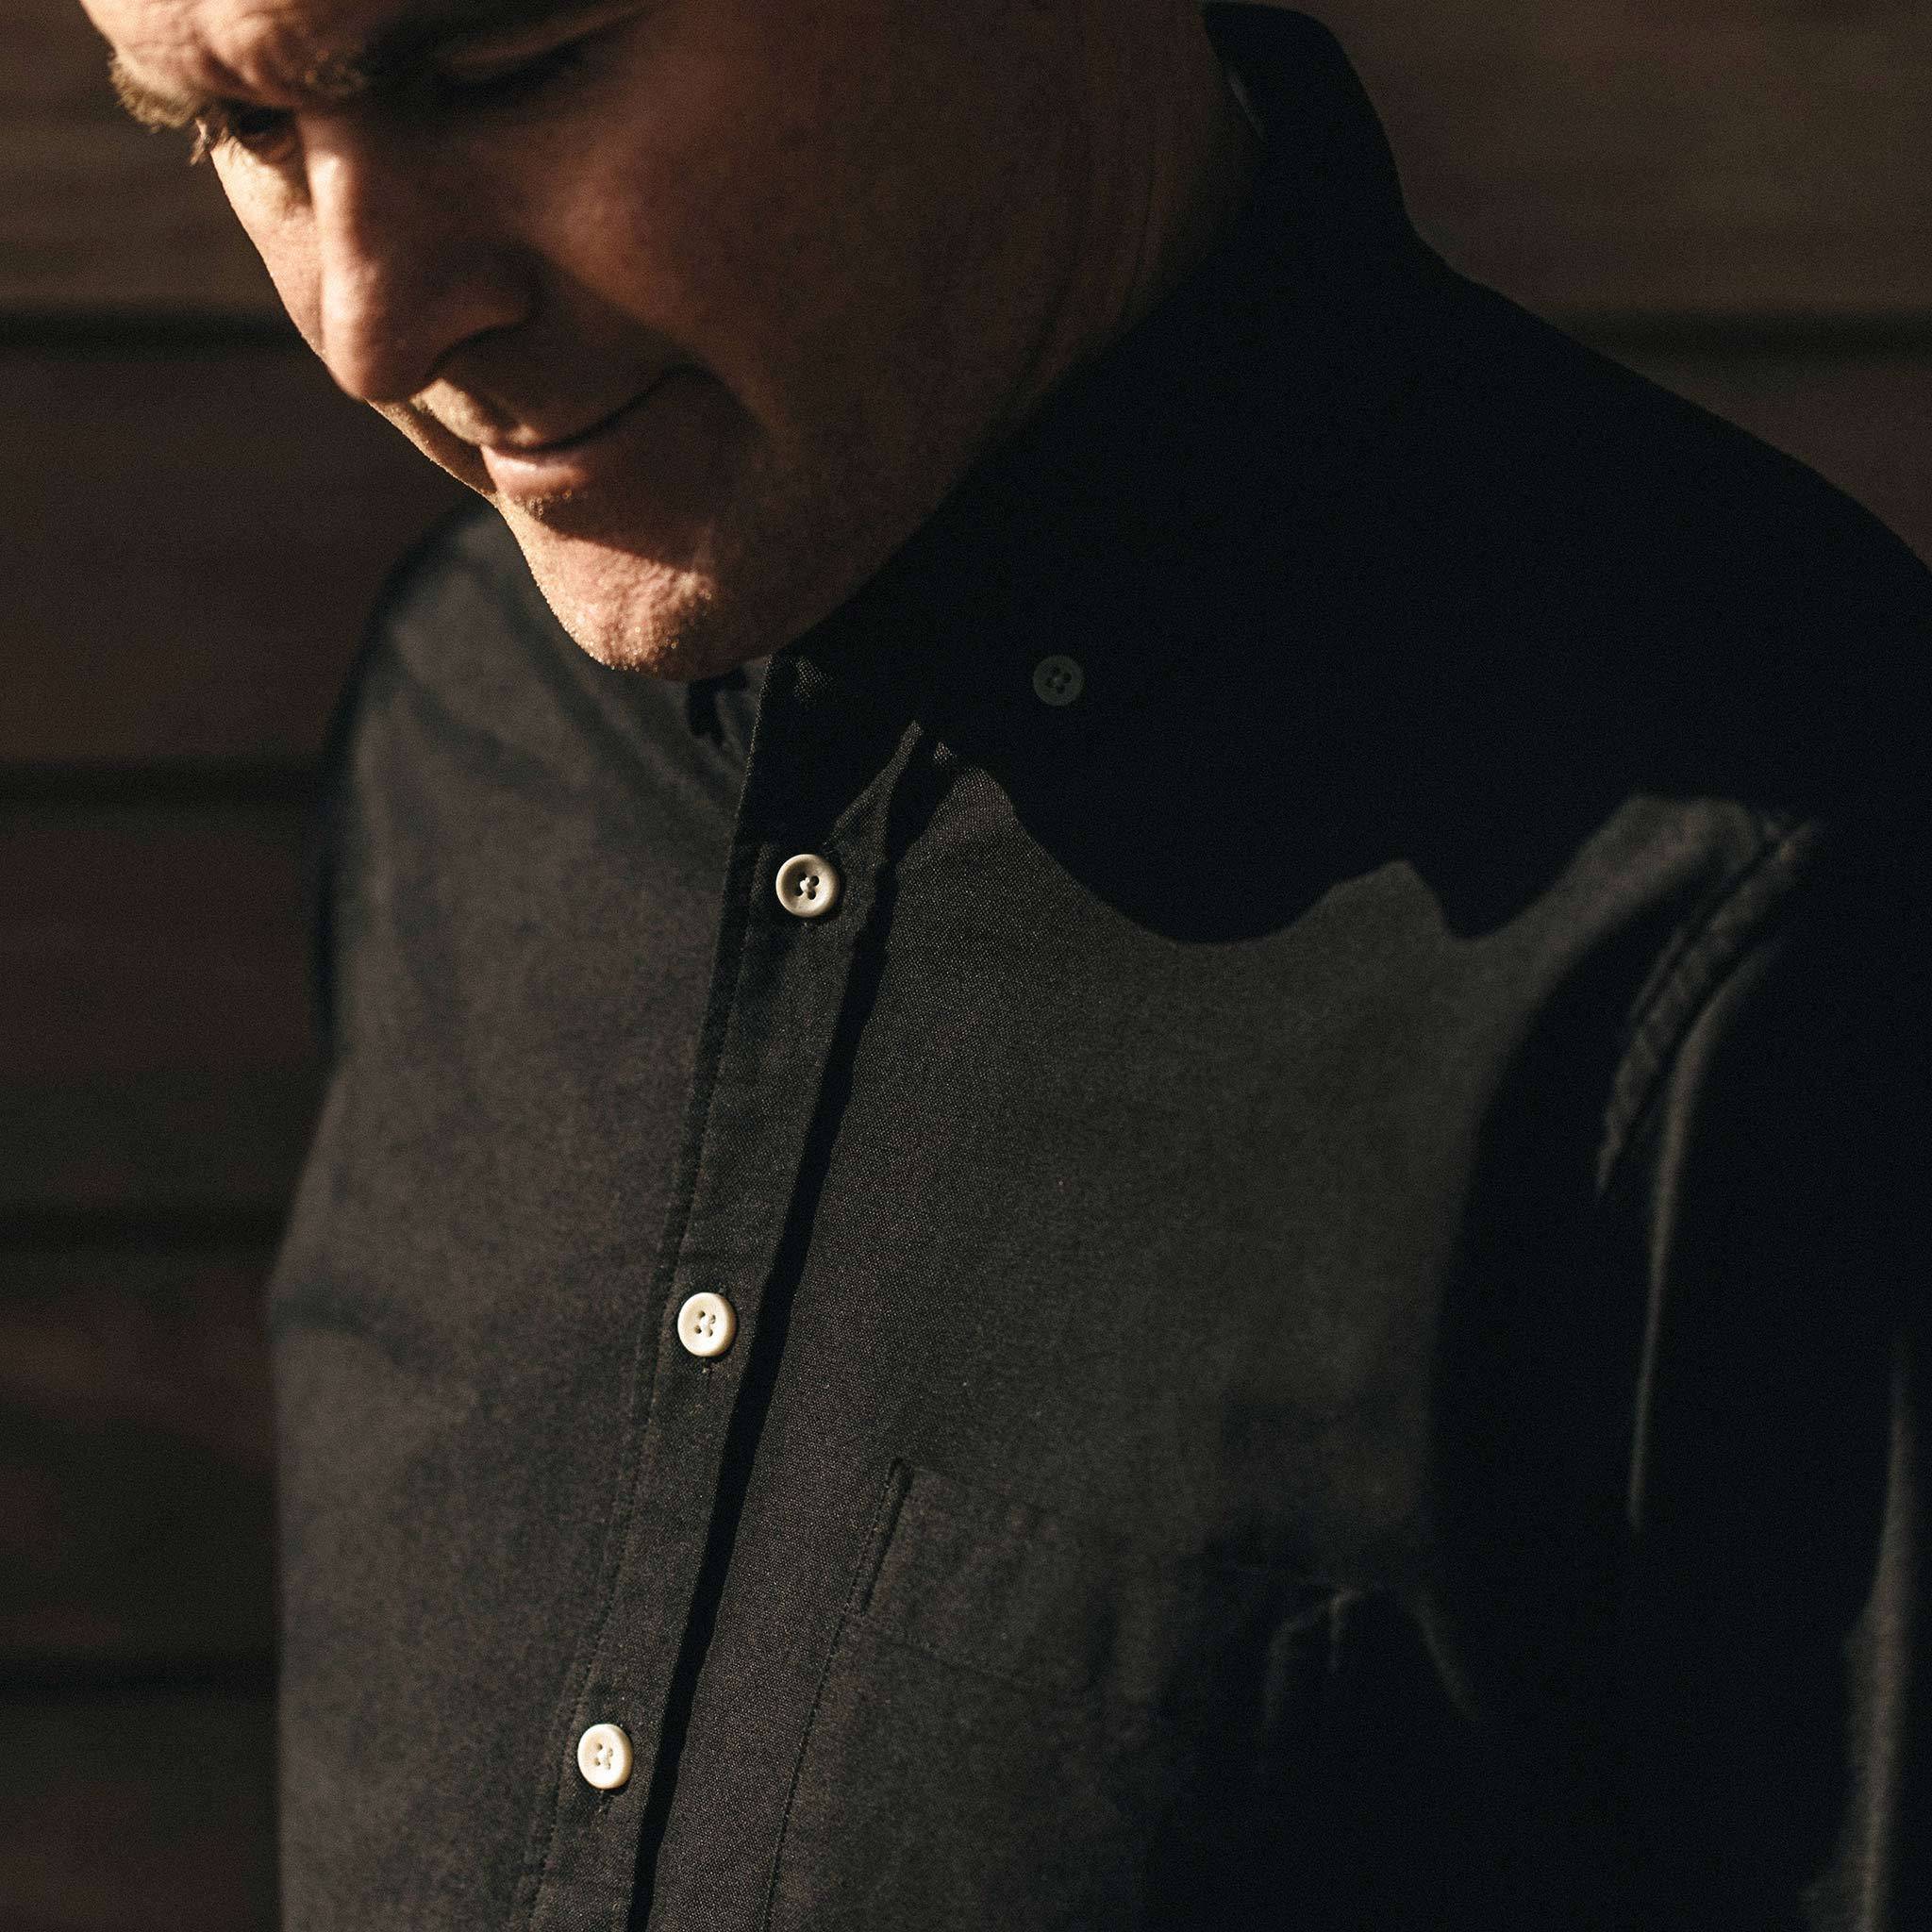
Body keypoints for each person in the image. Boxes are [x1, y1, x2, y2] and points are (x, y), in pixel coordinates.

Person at [89, 0, 1927, 1924]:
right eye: (231, 129)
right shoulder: (457, 724)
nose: (367, 328)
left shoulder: (1793, 904)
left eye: (500, 69)